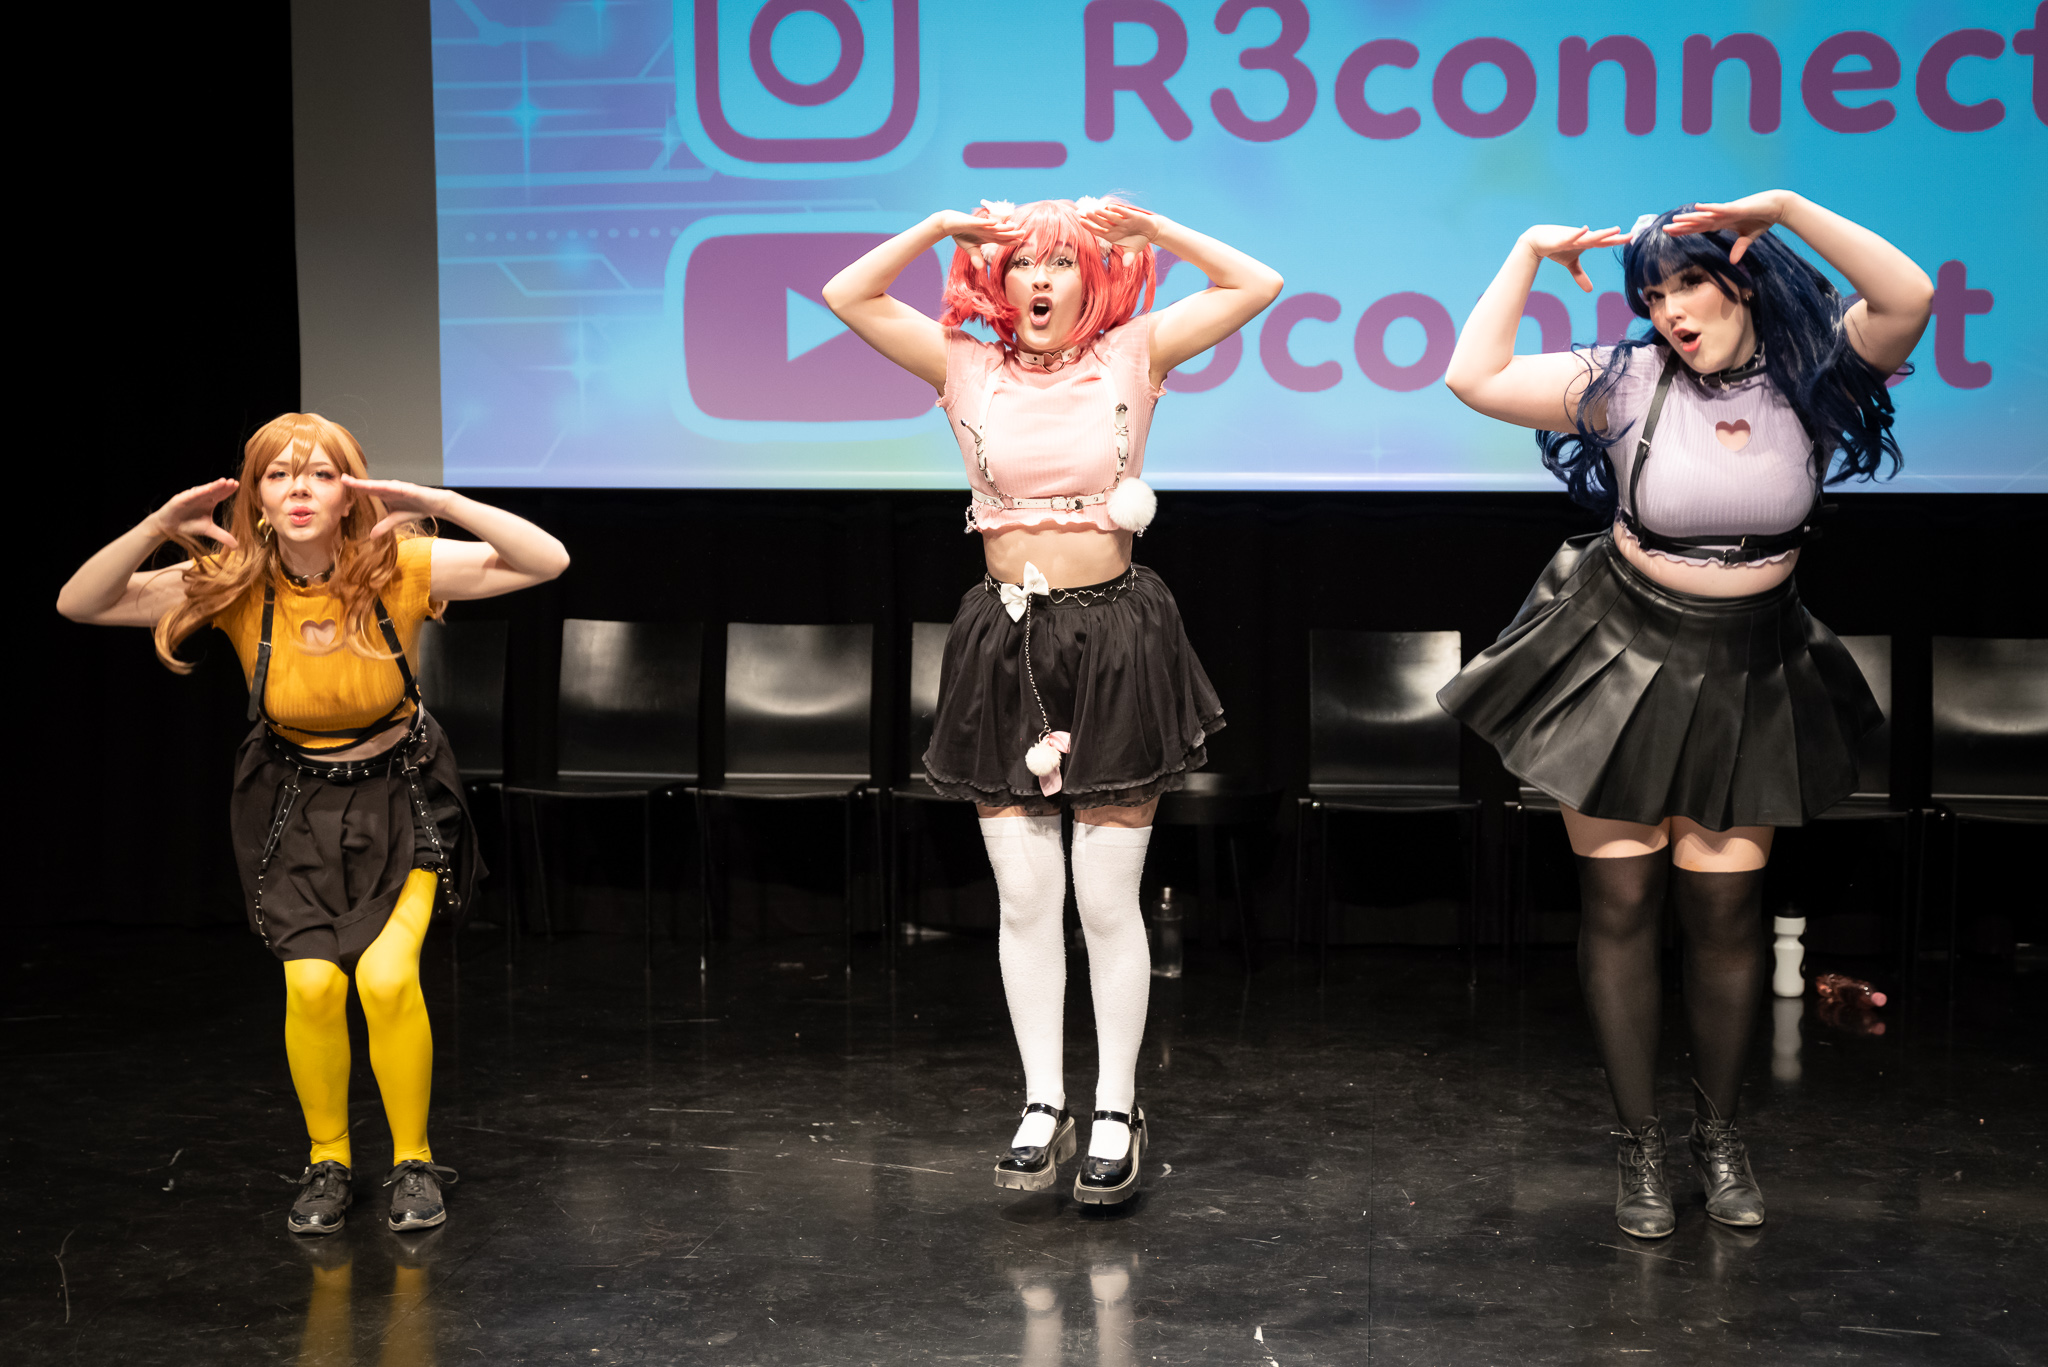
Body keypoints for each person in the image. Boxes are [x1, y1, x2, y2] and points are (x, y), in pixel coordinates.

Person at [1439, 192, 1931, 1237]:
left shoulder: (1815, 373)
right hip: (1616, 650)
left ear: (1741, 278)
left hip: (1749, 663)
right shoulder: (1623, 381)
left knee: (1723, 911)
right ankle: (1639, 1145)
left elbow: (1908, 295)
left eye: (1689, 283)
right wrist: (1524, 249)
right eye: (1653, 293)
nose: (1668, 310)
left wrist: (1786, 209)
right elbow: (1472, 376)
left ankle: (1719, 1134)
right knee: (1619, 902)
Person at [824, 196, 1281, 1205]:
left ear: (1091, 277)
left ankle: (1116, 1105)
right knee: (1027, 898)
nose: (1038, 279)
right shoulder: (963, 363)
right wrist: (936, 229)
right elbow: (846, 294)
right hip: (1006, 639)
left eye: (1059, 262)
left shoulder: (1132, 353)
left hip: (1116, 637)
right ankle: (1044, 1100)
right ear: (996, 278)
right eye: (1021, 262)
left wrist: (1159, 232)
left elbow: (1257, 284)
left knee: (1105, 899)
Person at [57, 413, 570, 1234]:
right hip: (289, 803)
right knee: (312, 983)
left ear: (349, 492)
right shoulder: (233, 579)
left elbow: (548, 560)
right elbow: (79, 602)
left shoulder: (399, 565)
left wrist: (436, 502)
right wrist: (158, 525)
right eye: (279, 474)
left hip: (402, 792)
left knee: (387, 977)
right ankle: (328, 1159)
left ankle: (411, 1159)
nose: (299, 489)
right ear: (257, 497)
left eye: (321, 474)